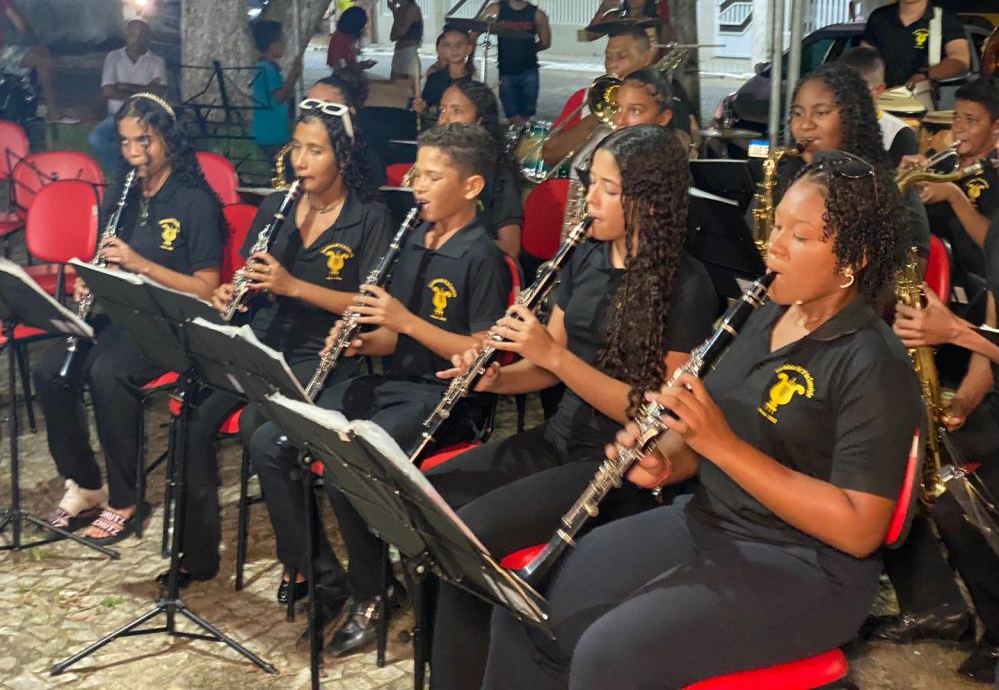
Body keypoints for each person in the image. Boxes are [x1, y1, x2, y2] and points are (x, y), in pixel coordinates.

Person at [482, 150, 921, 690]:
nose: (775, 246)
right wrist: (665, 459)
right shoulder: (763, 315)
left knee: (608, 654)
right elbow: (697, 439)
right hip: (708, 520)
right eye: (776, 226)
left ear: (854, 257)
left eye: (800, 236)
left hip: (806, 567)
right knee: (525, 606)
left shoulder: (873, 362)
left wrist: (721, 446)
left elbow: (859, 529)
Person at [424, 124, 719, 690]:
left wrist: (554, 357)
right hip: (559, 437)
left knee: (473, 534)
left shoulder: (687, 286)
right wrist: (493, 380)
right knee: (434, 500)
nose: (590, 201)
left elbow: (656, 417)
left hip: (617, 465)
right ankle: (459, 659)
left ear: (649, 202)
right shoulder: (585, 256)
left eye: (609, 189)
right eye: (591, 184)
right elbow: (544, 364)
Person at [245, 123, 512, 652]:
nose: (417, 186)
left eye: (432, 177)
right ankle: (323, 575)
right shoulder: (413, 237)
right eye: (416, 174)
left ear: (471, 187)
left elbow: (479, 354)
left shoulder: (481, 256)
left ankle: (375, 594)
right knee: (269, 439)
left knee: (347, 466)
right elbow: (394, 338)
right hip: (393, 384)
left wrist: (404, 321)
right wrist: (364, 343)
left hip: (447, 400)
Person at [158, 98, 392, 590]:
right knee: (192, 413)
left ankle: (312, 568)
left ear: (343, 157)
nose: (300, 161)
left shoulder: (369, 216)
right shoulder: (276, 207)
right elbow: (254, 276)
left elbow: (369, 304)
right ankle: (196, 553)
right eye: (296, 148)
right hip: (260, 340)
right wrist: (233, 292)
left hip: (322, 354)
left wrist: (294, 286)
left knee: (259, 428)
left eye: (315, 151)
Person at [878, 92, 999, 685]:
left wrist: (953, 331)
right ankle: (972, 616)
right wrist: (963, 400)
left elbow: (979, 333)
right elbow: (997, 328)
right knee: (916, 468)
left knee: (965, 500)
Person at [35, 93, 225, 545]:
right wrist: (94, 280)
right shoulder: (124, 194)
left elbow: (205, 288)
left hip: (173, 324)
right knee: (50, 371)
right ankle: (86, 485)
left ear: (170, 142)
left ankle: (126, 500)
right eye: (125, 142)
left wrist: (140, 264)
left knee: (108, 373)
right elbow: (112, 267)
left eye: (145, 141)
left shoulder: (195, 201)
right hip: (124, 314)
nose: (134, 152)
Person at [769, 62, 931, 265]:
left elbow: (910, 270)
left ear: (853, 118)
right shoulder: (783, 174)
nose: (805, 125)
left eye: (821, 113)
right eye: (798, 113)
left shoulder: (891, 188)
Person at [902, 77, 999, 281]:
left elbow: (998, 245)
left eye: (971, 120)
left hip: (979, 280)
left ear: (997, 128)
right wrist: (908, 179)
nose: (958, 128)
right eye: (956, 117)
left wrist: (954, 196)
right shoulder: (942, 163)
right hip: (930, 269)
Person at [543, 25, 695, 167]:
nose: (612, 65)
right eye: (608, 57)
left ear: (646, 58)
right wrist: (594, 120)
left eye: (622, 57)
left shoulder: (662, 99)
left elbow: (682, 147)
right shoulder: (585, 97)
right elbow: (549, 155)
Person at [435, 78, 522, 257]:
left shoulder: (498, 173)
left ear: (480, 120)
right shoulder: (433, 164)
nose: (444, 120)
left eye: (456, 111)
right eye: (442, 110)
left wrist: (454, 242)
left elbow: (510, 247)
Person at [863, 0, 969, 92]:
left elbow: (960, 60)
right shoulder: (879, 18)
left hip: (924, 99)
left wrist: (924, 76)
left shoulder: (945, 20)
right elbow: (864, 59)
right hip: (882, 98)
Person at [88, 20, 168, 177]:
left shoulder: (157, 61)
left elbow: (159, 93)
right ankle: (121, 176)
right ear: (126, 36)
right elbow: (108, 91)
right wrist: (144, 90)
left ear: (148, 38)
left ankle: (142, 175)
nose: (136, 39)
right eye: (132, 35)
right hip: (117, 116)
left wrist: (124, 86)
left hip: (144, 117)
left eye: (140, 35)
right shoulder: (114, 57)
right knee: (96, 138)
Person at [477, 0, 552, 125]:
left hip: (529, 71)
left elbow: (546, 42)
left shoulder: (537, 14)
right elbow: (475, 31)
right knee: (513, 116)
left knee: (527, 116)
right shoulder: (496, 9)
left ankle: (522, 138)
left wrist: (526, 49)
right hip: (506, 72)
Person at [0, 0, 78, 123]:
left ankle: (52, 112)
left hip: (2, 52)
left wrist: (35, 42)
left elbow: (17, 19)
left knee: (42, 56)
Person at [837, 46, 919, 167]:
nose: (846, 97)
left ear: (878, 90)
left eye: (856, 89)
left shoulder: (899, 135)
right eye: (840, 89)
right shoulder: (827, 126)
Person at [251, 20, 303, 168]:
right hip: (272, 133)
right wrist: (293, 72)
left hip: (271, 131)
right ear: (273, 46)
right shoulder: (267, 69)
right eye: (282, 42)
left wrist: (294, 76)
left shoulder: (265, 67)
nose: (284, 46)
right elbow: (280, 96)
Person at [412, 26, 474, 122]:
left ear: (469, 49)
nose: (453, 49)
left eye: (459, 44)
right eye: (448, 45)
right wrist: (422, 109)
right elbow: (426, 110)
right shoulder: (434, 79)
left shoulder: (474, 80)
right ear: (442, 50)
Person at [587, 0, 663, 46]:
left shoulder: (654, 20)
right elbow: (588, 36)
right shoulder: (615, 17)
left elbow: (664, 48)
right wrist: (602, 9)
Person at [387, 0, 423, 81]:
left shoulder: (413, 9)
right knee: (394, 86)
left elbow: (401, 31)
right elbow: (393, 36)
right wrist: (395, 12)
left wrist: (395, 11)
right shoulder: (400, 9)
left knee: (408, 87)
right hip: (399, 52)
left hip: (409, 52)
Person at [326, 6, 375, 75]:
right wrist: (363, 65)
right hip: (342, 78)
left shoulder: (346, 37)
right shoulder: (340, 39)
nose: (362, 30)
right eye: (361, 27)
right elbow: (342, 68)